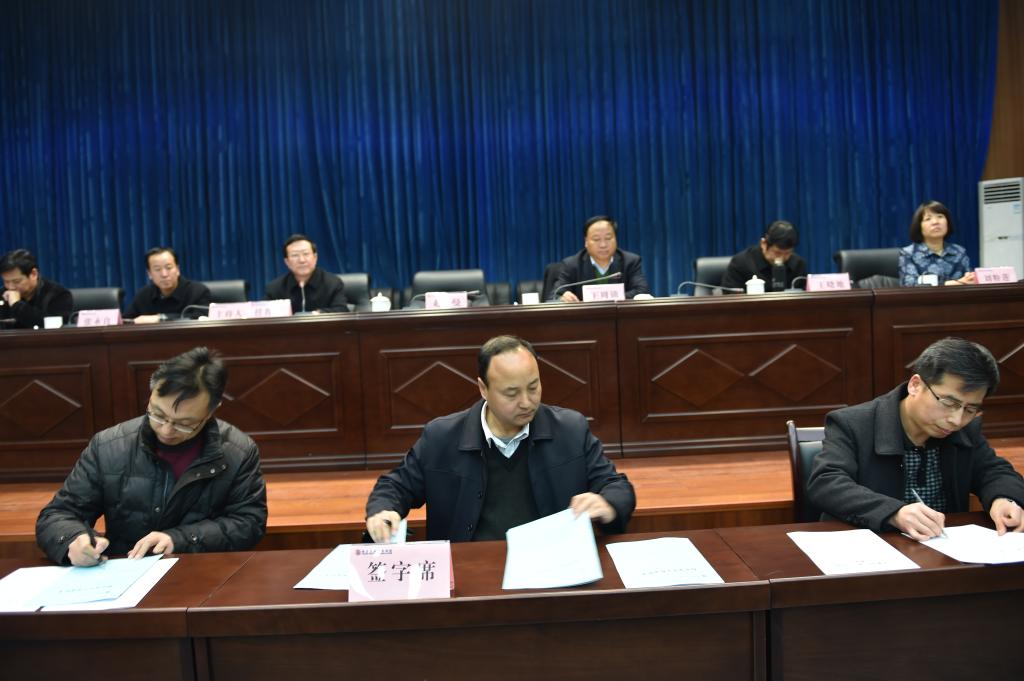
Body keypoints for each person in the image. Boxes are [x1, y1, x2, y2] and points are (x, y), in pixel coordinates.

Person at [365, 335, 636, 542]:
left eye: (533, 387)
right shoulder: (442, 437)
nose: (527, 402)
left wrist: (607, 504)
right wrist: (384, 511)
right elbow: (395, 486)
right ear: (483, 389)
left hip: (551, 567)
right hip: (469, 572)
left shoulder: (570, 430)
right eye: (511, 393)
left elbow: (616, 486)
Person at [36, 347, 268, 566]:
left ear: (211, 411)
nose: (166, 431)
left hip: (202, 571)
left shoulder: (238, 452)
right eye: (157, 414)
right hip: (125, 570)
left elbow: (248, 523)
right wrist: (72, 539)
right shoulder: (109, 446)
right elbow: (58, 514)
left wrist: (179, 540)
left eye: (184, 424)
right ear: (151, 394)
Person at [807, 337, 1024, 540]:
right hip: (870, 547)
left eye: (970, 409)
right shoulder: (852, 423)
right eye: (949, 403)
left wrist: (1004, 499)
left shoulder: (965, 429)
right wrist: (893, 512)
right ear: (915, 385)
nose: (956, 420)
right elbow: (826, 482)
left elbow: (993, 471)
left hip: (943, 549)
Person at [552, 215, 650, 301]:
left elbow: (642, 291)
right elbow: (555, 295)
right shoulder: (572, 265)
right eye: (596, 239)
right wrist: (563, 297)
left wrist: (607, 299)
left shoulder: (630, 261)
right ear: (586, 242)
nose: (603, 245)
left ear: (615, 239)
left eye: (608, 238)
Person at [898, 200, 975, 287]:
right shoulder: (908, 253)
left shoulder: (959, 252)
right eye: (928, 219)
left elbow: (970, 283)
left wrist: (970, 278)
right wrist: (955, 283)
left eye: (940, 216)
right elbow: (909, 285)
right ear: (919, 226)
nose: (935, 222)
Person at [125, 247, 211, 323]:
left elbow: (203, 318)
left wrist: (160, 318)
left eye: (168, 267)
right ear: (149, 274)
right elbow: (126, 321)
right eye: (157, 269)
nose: (164, 274)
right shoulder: (144, 295)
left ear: (177, 269)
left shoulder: (198, 291)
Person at [265, 234, 348, 313]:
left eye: (306, 254)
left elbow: (342, 311)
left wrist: (317, 315)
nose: (302, 260)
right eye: (295, 255)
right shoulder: (274, 289)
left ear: (315, 257)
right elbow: (264, 315)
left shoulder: (332, 284)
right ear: (287, 262)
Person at [722, 220, 807, 292]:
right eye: (777, 253)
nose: (782, 258)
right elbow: (729, 297)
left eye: (787, 253)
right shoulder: (741, 264)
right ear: (763, 244)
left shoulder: (798, 264)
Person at [0, 249, 72, 329]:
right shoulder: (2, 294)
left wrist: (17, 305)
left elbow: (54, 327)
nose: (10, 287)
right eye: (6, 281)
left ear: (33, 274)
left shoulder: (58, 294)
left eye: (16, 281)